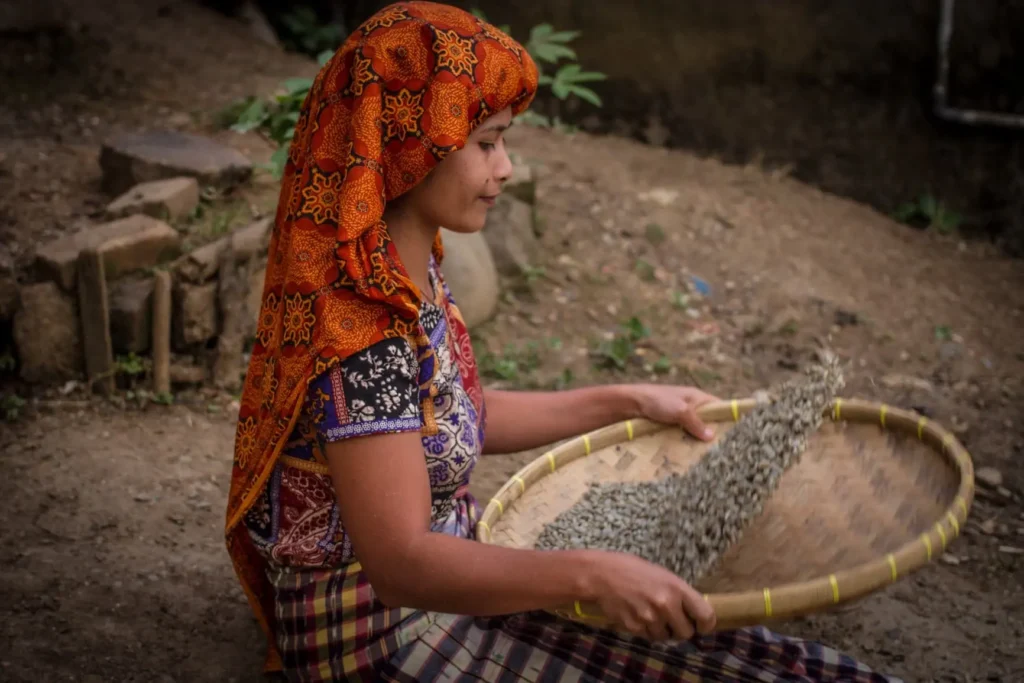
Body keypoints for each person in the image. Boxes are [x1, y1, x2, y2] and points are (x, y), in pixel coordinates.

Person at [225, 3, 899, 681]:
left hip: (449, 570)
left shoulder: (408, 274)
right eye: (486, 143)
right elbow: (402, 565)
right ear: (413, 147)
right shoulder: (362, 332)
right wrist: (590, 572)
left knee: (769, 661)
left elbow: (455, 415)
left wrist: (626, 398)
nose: (508, 167)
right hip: (379, 633)